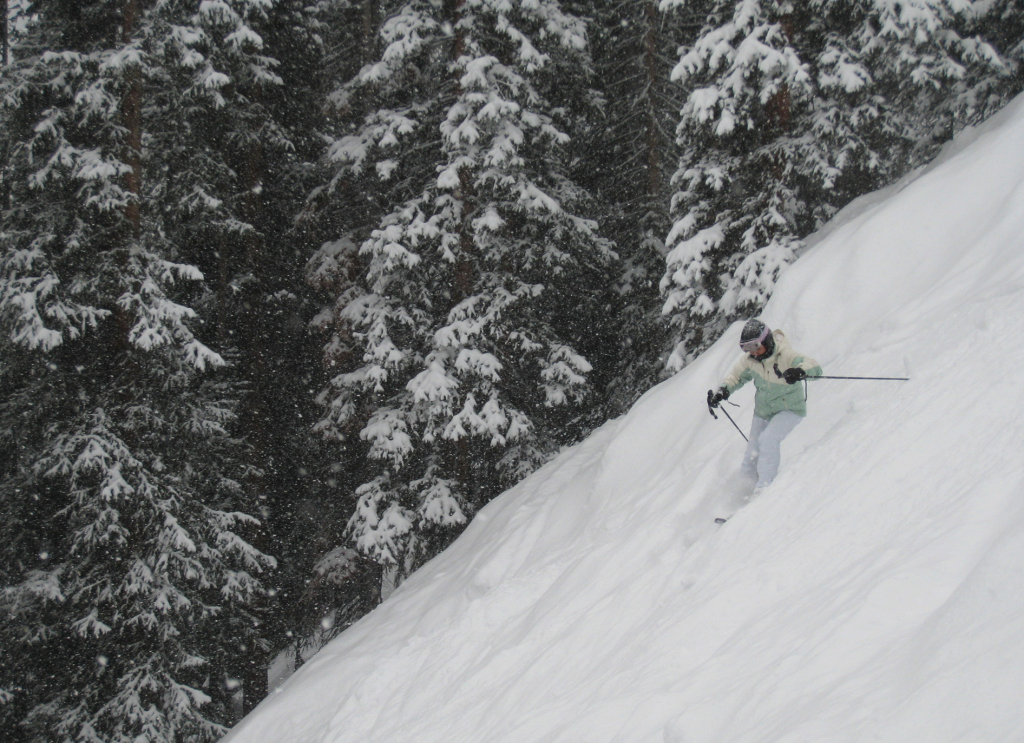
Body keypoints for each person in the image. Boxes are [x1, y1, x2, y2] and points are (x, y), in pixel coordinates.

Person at [708, 318, 822, 491]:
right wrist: (722, 391)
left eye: (755, 347)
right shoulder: (751, 360)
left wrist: (799, 371)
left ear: (767, 341)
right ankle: (741, 494)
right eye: (747, 348)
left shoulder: (785, 355)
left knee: (768, 440)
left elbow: (814, 367)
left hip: (789, 409)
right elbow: (736, 376)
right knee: (752, 452)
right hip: (763, 411)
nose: (753, 353)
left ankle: (764, 489)